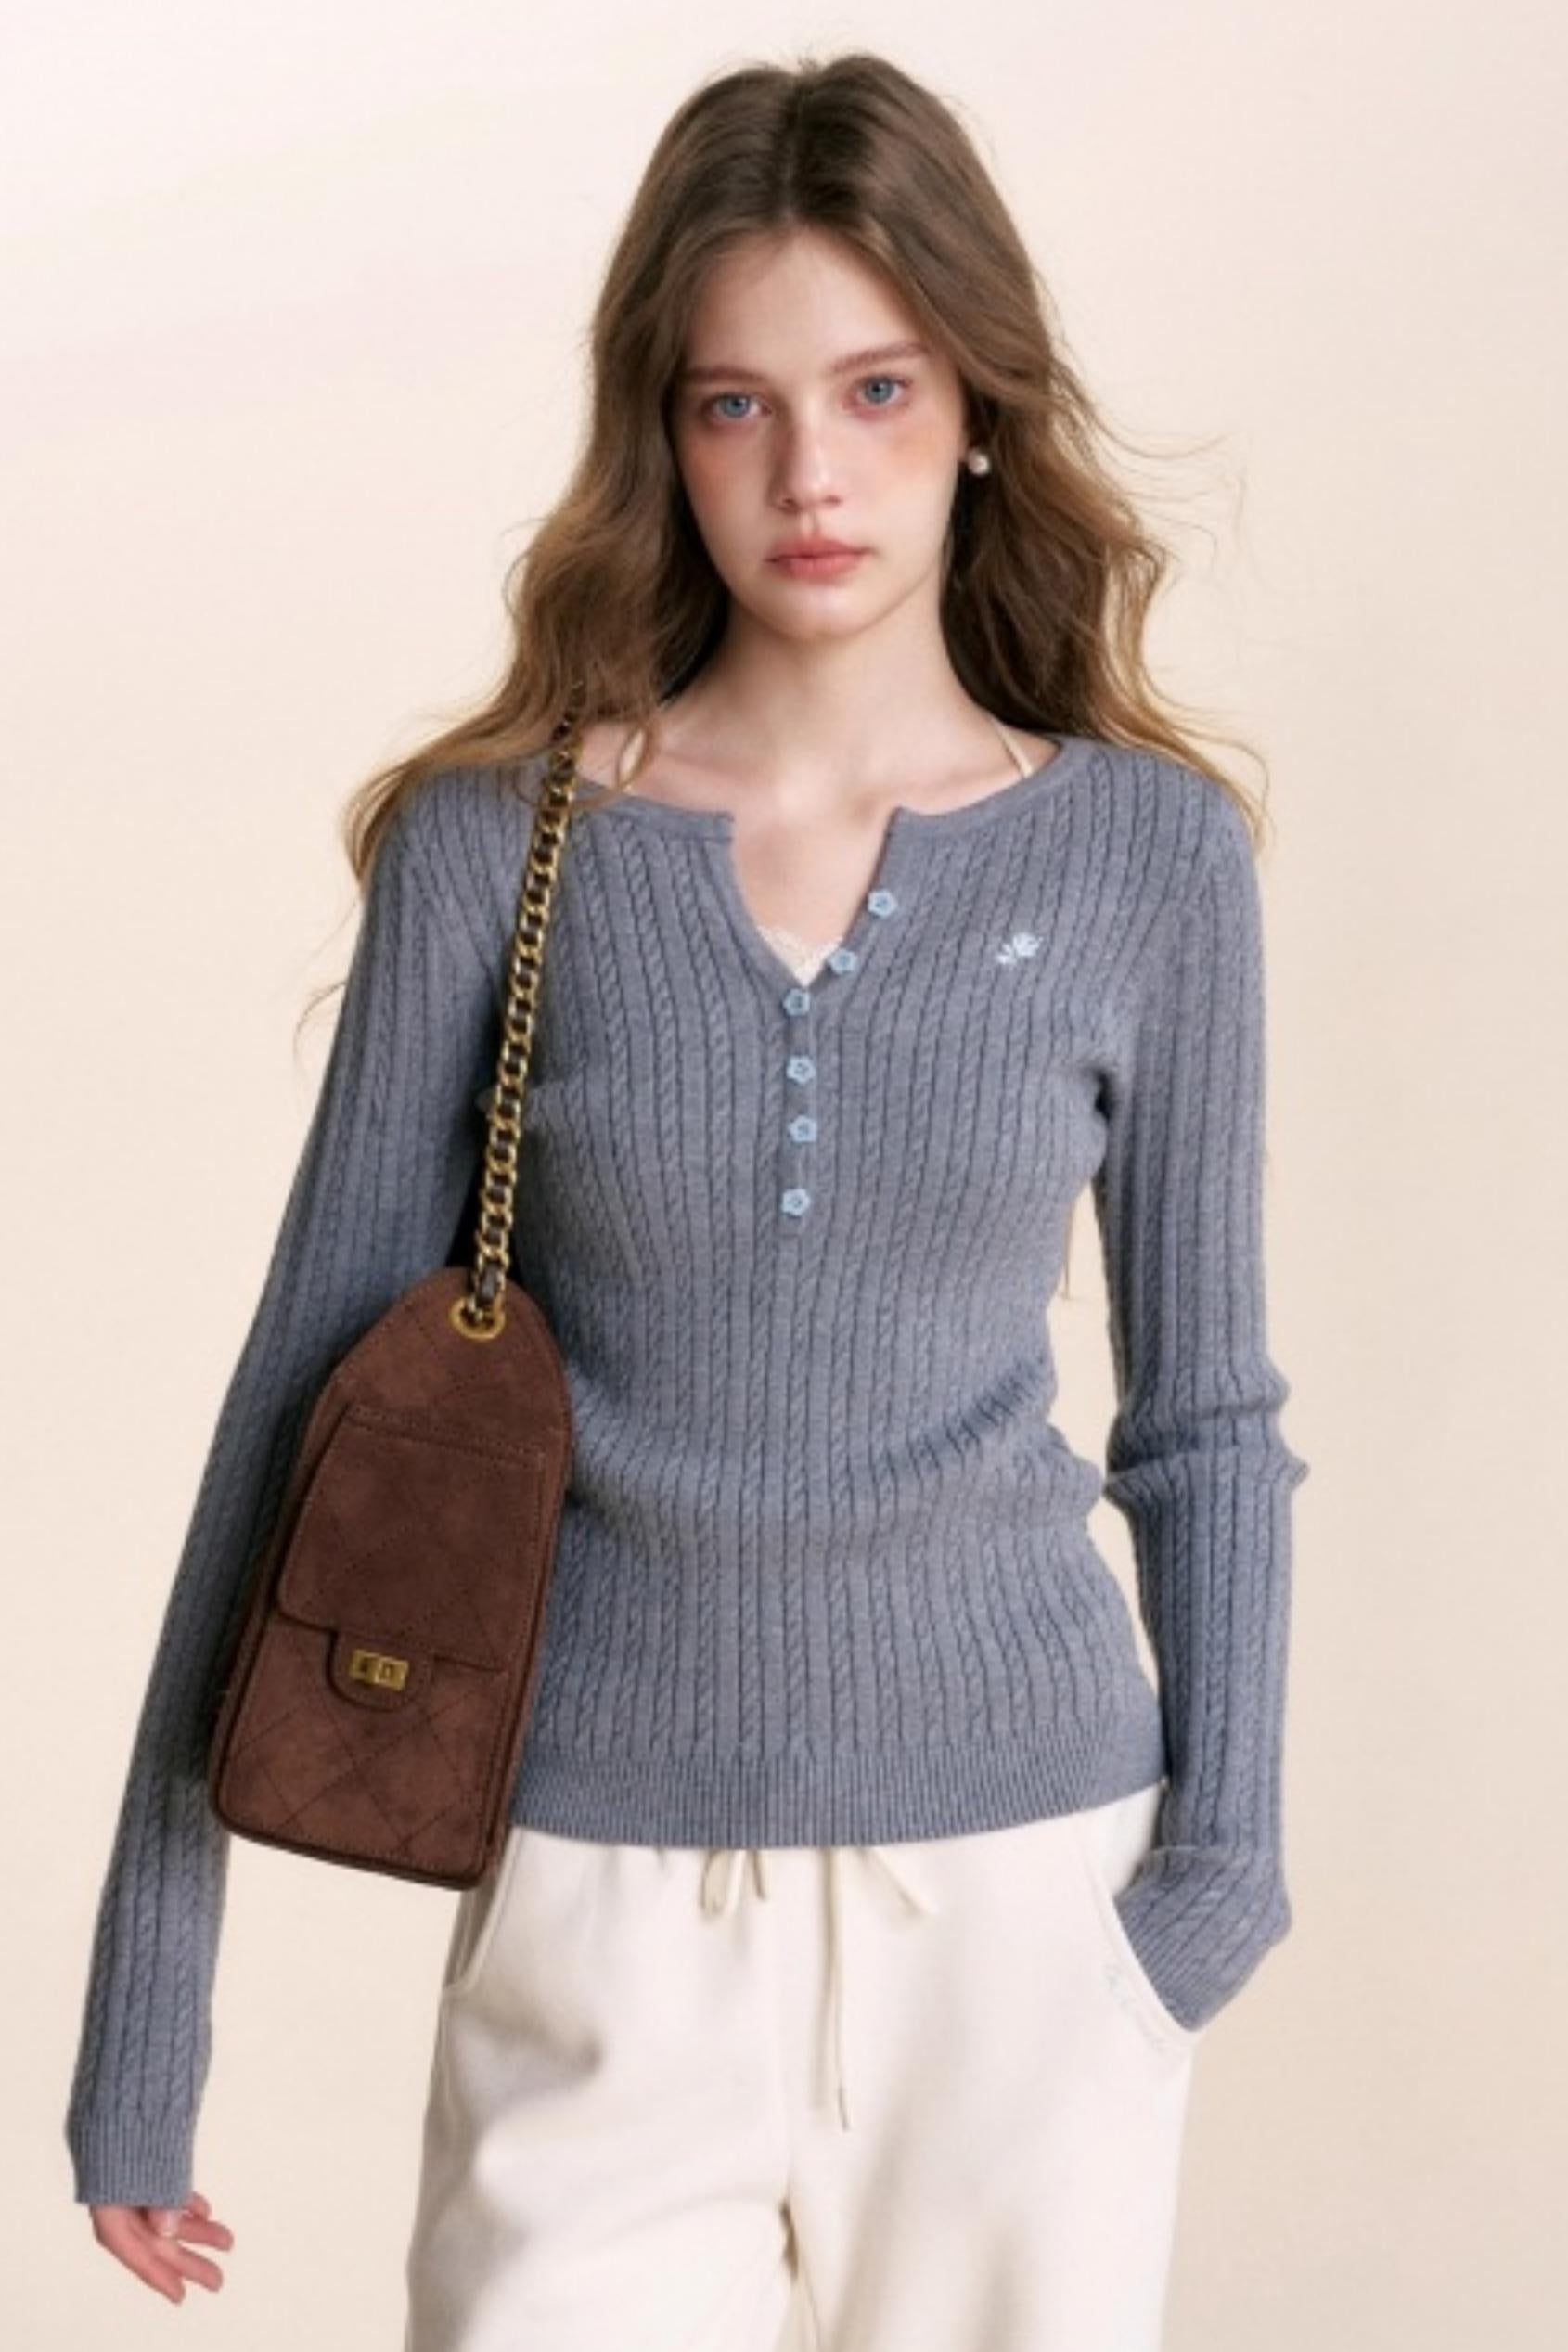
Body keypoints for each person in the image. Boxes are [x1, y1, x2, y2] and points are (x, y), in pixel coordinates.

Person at [66, 47, 1311, 2352]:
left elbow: (1204, 1416)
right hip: (591, 1914)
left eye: (873, 388)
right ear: (662, 429)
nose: (809, 473)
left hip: (1025, 1923)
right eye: (737, 404)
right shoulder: (494, 846)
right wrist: (150, 2008)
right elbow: (296, 1423)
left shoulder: (1147, 860)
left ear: (975, 404)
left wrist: (1210, 1881)